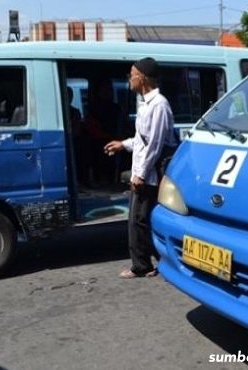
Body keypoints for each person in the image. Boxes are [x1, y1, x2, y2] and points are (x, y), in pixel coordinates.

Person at [104, 57, 177, 279]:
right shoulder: (145, 103)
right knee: (143, 219)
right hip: (144, 171)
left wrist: (140, 174)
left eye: (131, 74)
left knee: (138, 220)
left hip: (150, 174)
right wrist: (122, 145)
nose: (129, 79)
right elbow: (142, 139)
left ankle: (143, 265)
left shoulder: (159, 105)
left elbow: (155, 144)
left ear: (142, 78)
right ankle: (158, 262)